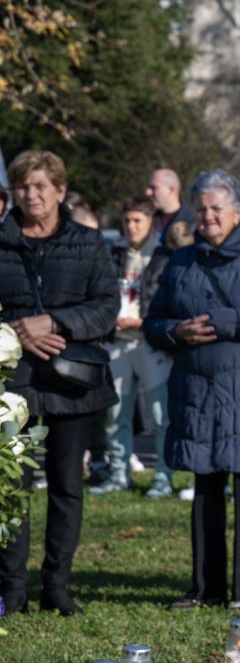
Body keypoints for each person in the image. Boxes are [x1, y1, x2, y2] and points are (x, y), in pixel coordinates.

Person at [143, 169, 240, 610]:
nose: (207, 217)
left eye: (217, 209)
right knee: (205, 490)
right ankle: (206, 588)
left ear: (238, 212)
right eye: (200, 209)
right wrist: (174, 331)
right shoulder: (181, 261)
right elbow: (152, 321)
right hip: (196, 393)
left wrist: (227, 321)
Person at [0, 150, 120, 616]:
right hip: (15, 385)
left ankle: (56, 586)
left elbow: (106, 306)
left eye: (40, 186)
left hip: (73, 384)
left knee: (67, 487)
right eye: (22, 186)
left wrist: (54, 322)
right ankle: (12, 588)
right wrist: (18, 331)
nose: (30, 195)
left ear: (60, 191)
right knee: (13, 489)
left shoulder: (88, 243)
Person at [92, 196, 174, 497]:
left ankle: (163, 476)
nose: (131, 226)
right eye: (127, 220)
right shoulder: (112, 254)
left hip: (150, 342)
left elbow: (169, 300)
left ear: (150, 221)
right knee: (116, 414)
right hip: (117, 342)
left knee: (160, 415)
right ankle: (118, 473)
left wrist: (143, 322)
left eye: (137, 220)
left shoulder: (164, 257)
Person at [145, 168, 196, 241]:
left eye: (154, 188)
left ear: (171, 190)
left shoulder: (194, 222)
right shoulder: (145, 220)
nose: (147, 192)